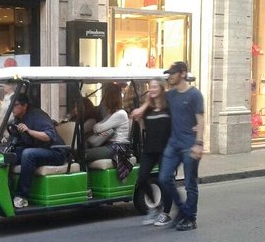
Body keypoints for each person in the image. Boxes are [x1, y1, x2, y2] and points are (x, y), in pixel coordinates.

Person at [132, 61, 204, 231]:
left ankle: (190, 218)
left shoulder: (195, 95)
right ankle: (183, 210)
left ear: (183, 74)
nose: (170, 76)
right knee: (164, 178)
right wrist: (141, 110)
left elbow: (200, 120)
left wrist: (199, 143)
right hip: (173, 144)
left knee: (190, 184)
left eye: (172, 73)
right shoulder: (170, 95)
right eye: (169, 74)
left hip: (189, 145)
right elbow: (152, 99)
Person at [11, 94, 66, 208]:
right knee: (9, 154)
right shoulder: (17, 119)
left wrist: (28, 130)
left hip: (55, 152)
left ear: (24, 105)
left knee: (28, 154)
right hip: (39, 149)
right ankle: (8, 190)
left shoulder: (37, 116)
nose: (12, 108)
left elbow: (48, 136)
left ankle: (22, 196)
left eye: (15, 105)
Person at [136, 79, 173, 227]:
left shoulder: (169, 107)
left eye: (155, 86)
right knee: (142, 178)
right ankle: (155, 207)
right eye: (150, 87)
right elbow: (144, 129)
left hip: (166, 149)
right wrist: (140, 117)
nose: (152, 89)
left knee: (165, 181)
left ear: (162, 88)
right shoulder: (148, 110)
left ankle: (166, 213)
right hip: (150, 149)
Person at [85, 82, 131, 161]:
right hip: (109, 144)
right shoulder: (111, 114)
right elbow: (97, 127)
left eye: (106, 99)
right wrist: (100, 128)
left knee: (84, 154)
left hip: (117, 147)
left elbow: (97, 128)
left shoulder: (120, 114)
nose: (104, 102)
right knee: (83, 146)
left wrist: (100, 129)